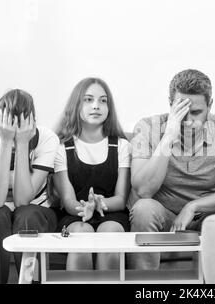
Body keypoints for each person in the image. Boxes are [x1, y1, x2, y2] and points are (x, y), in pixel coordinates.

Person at [128, 69, 215, 270]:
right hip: (164, 216)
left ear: (210, 105)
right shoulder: (148, 127)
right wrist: (169, 136)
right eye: (181, 112)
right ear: (170, 104)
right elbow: (143, 190)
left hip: (206, 216)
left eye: (196, 113)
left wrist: (193, 207)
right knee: (144, 208)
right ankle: (145, 286)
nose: (188, 121)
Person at [0, 89, 59, 283]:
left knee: (27, 214)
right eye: (10, 124)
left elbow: (23, 200)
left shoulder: (47, 138)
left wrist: (23, 143)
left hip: (36, 211)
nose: (16, 131)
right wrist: (5, 141)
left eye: (22, 125)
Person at [53, 77, 131, 270]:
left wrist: (98, 203)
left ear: (109, 108)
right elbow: (68, 201)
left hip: (112, 212)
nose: (96, 106)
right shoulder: (61, 148)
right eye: (88, 100)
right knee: (82, 236)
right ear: (76, 105)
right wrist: (84, 208)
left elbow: (121, 198)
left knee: (110, 235)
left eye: (103, 101)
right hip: (75, 215)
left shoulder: (122, 146)